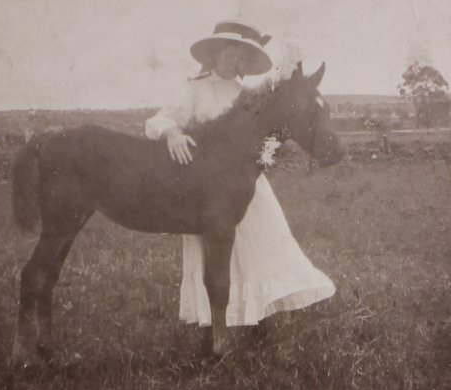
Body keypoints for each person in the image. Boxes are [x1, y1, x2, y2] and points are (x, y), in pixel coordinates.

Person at [144, 20, 336, 329]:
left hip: (248, 187)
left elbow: (265, 141)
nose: (236, 62)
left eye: (243, 58)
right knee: (216, 254)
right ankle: (218, 320)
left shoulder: (247, 97)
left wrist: (264, 156)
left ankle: (256, 314)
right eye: (231, 54)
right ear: (216, 53)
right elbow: (160, 120)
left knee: (262, 246)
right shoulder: (194, 89)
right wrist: (172, 134)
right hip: (206, 191)